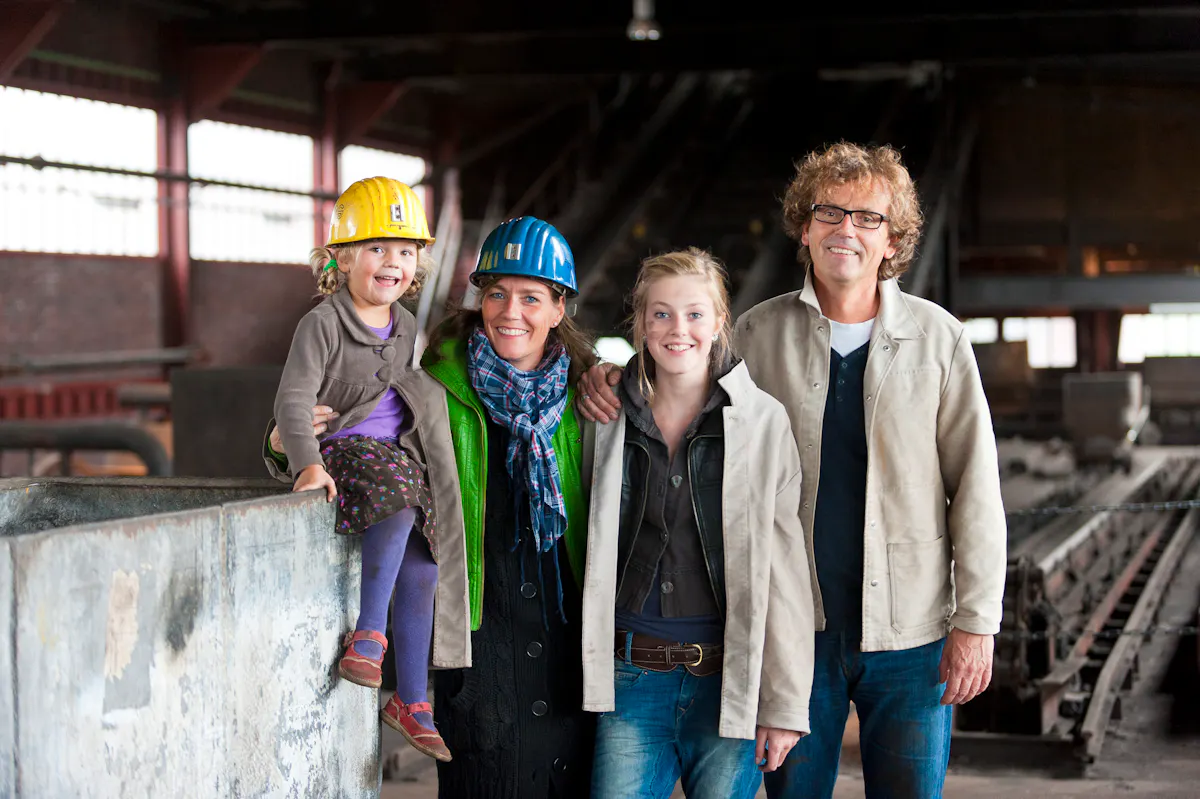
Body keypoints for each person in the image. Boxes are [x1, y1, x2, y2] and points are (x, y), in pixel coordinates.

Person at [579, 142, 1007, 798]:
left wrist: (976, 620)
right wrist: (608, 376)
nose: (846, 230)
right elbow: (678, 385)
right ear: (803, 228)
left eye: (868, 218)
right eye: (829, 213)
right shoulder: (754, 333)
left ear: (893, 241)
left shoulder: (939, 339)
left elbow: (976, 486)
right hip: (792, 634)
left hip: (911, 633)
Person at [270, 215, 598, 798]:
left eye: (530, 297)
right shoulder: (430, 389)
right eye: (496, 294)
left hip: (567, 659)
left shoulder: (587, 402)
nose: (509, 311)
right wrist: (280, 446)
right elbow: (351, 435)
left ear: (558, 308)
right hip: (476, 660)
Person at [579, 248, 814, 799]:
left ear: (718, 323)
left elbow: (787, 574)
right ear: (639, 323)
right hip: (630, 681)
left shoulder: (763, 423)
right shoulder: (604, 418)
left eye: (694, 313)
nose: (677, 328)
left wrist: (782, 703)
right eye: (660, 313)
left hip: (728, 683)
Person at [265, 176, 465, 762]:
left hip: (392, 455)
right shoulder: (322, 325)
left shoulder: (405, 325)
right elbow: (293, 401)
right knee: (400, 497)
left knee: (426, 563)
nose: (393, 262)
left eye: (406, 252)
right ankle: (369, 635)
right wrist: (305, 465)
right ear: (342, 258)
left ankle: (411, 700)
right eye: (377, 248)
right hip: (345, 454)